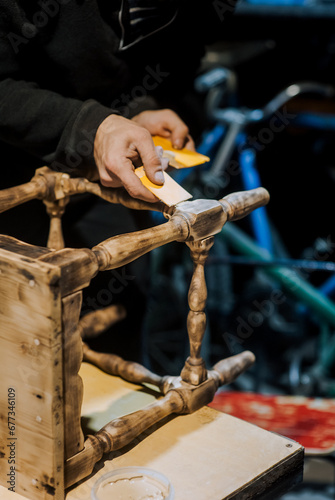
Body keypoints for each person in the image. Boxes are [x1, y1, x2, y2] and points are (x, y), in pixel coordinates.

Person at [0, 0, 231, 360]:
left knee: (115, 323)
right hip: (13, 174)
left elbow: (181, 59)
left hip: (103, 187)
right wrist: (87, 128)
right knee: (19, 353)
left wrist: (140, 109)